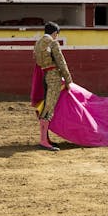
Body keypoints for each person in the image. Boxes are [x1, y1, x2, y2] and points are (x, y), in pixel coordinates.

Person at [32, 21, 72, 151]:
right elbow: (61, 62)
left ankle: (45, 138)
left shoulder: (38, 43)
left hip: (44, 75)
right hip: (53, 77)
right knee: (49, 107)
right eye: (56, 35)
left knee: (46, 105)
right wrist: (68, 80)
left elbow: (35, 59)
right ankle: (44, 141)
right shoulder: (53, 43)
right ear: (55, 33)